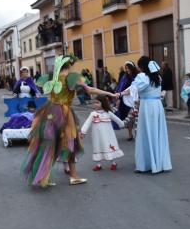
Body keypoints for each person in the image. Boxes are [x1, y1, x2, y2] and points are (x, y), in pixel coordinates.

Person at [22, 55, 118, 187]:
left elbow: (42, 88)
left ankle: (42, 176)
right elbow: (89, 90)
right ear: (70, 65)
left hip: (49, 110)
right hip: (63, 112)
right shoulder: (72, 77)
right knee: (70, 142)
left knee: (49, 143)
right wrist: (109, 94)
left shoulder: (51, 76)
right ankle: (73, 176)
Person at [121, 56, 172, 174]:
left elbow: (133, 89)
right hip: (157, 105)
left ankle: (146, 164)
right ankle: (159, 163)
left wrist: (120, 94)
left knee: (145, 133)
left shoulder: (143, 77)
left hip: (147, 106)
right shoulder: (157, 76)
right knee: (157, 133)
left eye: (139, 66)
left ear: (142, 66)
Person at [80, 95, 124, 171]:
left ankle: (113, 163)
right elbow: (87, 123)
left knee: (109, 147)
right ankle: (98, 164)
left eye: (97, 103)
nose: (95, 104)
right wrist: (83, 132)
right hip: (97, 136)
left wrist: (122, 124)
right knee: (97, 147)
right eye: (94, 103)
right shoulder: (93, 114)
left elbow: (117, 119)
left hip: (108, 135)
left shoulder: (108, 113)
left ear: (103, 103)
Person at [114, 61, 139, 140]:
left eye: (128, 68)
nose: (127, 70)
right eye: (126, 68)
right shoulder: (125, 77)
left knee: (136, 118)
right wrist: (119, 97)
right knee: (129, 118)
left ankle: (138, 134)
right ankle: (130, 134)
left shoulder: (137, 77)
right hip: (126, 100)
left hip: (135, 100)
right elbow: (121, 87)